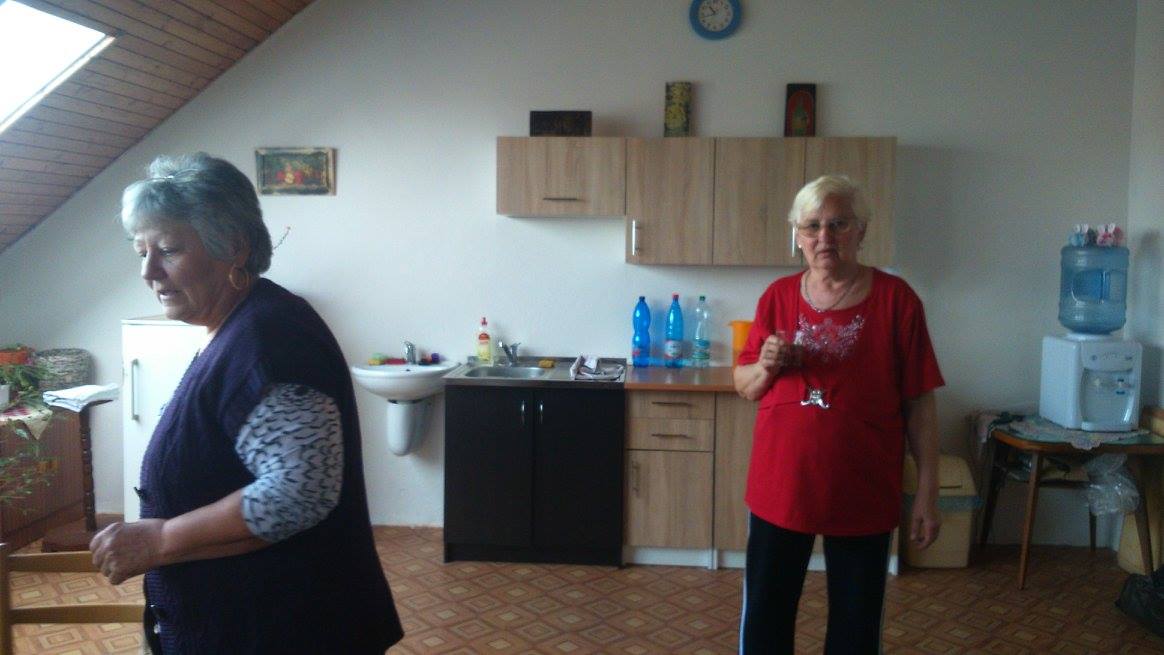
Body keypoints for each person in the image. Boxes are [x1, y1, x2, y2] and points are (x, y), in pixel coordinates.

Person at [91, 153, 403, 654]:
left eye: (168, 249)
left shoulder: (270, 339)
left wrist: (160, 540)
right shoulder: (240, 325)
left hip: (284, 630)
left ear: (234, 247)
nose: (149, 271)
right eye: (140, 251)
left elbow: (297, 494)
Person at [734, 174, 944, 654]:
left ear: (861, 230)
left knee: (856, 622)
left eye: (838, 224)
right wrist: (765, 365)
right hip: (781, 488)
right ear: (797, 235)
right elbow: (744, 385)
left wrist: (927, 493)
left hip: (863, 490)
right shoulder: (776, 297)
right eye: (812, 226)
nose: (824, 237)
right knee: (766, 614)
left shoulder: (898, 300)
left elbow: (920, 404)